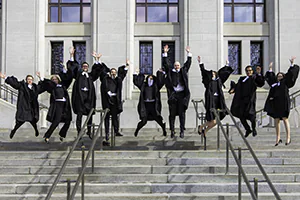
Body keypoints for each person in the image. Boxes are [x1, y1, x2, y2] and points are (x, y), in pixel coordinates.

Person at [264, 57, 299, 146]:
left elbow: (291, 75)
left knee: (284, 118)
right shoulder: (275, 84)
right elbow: (270, 78)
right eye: (278, 75)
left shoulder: (285, 82)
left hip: (283, 102)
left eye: (281, 76)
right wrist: (270, 69)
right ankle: (278, 138)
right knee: (276, 120)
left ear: (283, 77)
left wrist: (291, 64)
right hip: (276, 103)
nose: (279, 77)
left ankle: (288, 137)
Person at [197, 56, 234, 137]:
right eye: (212, 74)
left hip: (218, 100)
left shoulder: (219, 81)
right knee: (213, 120)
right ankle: (203, 128)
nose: (213, 75)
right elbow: (203, 72)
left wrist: (227, 65)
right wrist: (200, 63)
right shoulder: (208, 82)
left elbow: (225, 74)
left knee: (216, 121)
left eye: (214, 74)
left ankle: (203, 129)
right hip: (211, 100)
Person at [67, 47, 99, 139]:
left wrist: (96, 60)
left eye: (86, 66)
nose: (85, 67)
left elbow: (97, 71)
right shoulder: (78, 75)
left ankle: (89, 131)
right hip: (80, 98)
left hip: (88, 98)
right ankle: (79, 131)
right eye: (84, 66)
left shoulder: (90, 76)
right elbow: (72, 68)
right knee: (79, 116)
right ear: (82, 67)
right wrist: (72, 55)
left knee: (89, 115)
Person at [0, 72, 44, 139]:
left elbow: (42, 87)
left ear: (32, 80)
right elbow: (14, 84)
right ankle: (14, 131)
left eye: (31, 79)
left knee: (33, 120)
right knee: (20, 121)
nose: (29, 80)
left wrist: (40, 77)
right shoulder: (22, 85)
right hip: (24, 106)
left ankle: (36, 130)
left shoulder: (35, 87)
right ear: (26, 80)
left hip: (31, 106)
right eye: (28, 79)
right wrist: (5, 78)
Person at [96, 56, 129, 145]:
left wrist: (126, 65)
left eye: (115, 72)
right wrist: (98, 60)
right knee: (106, 118)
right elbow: (102, 72)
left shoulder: (118, 80)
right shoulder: (106, 79)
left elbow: (123, 75)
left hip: (115, 101)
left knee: (115, 117)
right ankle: (107, 133)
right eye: (112, 72)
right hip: (107, 101)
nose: (113, 74)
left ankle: (116, 131)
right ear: (110, 73)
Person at [37, 65, 73, 143]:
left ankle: (62, 134)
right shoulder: (52, 87)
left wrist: (65, 69)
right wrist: (41, 78)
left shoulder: (63, 86)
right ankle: (47, 136)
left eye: (56, 79)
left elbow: (68, 79)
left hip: (65, 105)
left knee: (68, 120)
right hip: (58, 105)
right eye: (53, 79)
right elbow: (47, 84)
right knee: (56, 121)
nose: (54, 80)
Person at [162, 45, 192, 138]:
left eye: (178, 65)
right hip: (173, 95)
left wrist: (188, 53)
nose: (176, 66)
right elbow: (166, 64)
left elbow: (188, 63)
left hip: (182, 95)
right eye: (175, 65)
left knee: (182, 114)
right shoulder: (171, 72)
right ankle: (172, 130)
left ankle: (182, 130)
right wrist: (165, 53)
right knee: (172, 114)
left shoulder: (183, 71)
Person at [229, 65, 265, 137]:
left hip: (250, 100)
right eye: (247, 71)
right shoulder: (242, 79)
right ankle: (248, 129)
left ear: (252, 71)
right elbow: (237, 87)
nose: (248, 72)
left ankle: (254, 129)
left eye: (250, 70)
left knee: (252, 116)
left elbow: (260, 83)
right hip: (242, 100)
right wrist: (233, 90)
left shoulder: (254, 78)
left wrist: (258, 74)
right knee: (241, 116)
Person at [133, 68, 167, 137]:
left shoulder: (156, 86)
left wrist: (161, 73)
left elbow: (162, 82)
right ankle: (137, 130)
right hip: (145, 105)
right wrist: (135, 74)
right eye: (149, 78)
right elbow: (136, 83)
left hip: (153, 105)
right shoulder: (143, 86)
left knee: (158, 119)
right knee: (143, 120)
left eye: (151, 79)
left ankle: (164, 130)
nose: (150, 80)